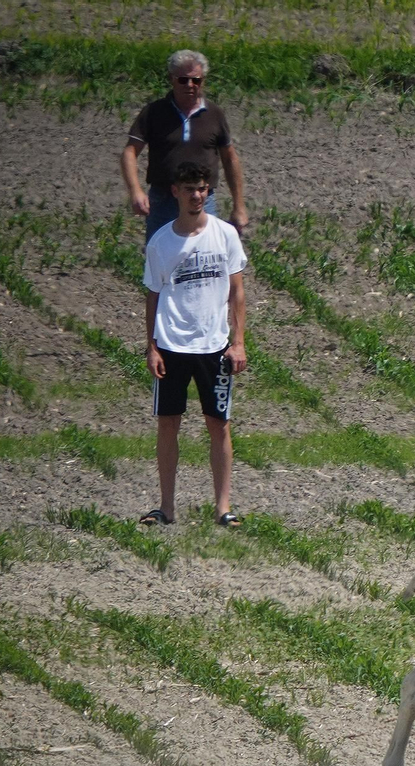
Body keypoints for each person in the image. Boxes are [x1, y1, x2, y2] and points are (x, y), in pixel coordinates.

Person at [138, 161, 248, 528]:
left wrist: (238, 342)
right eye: (189, 189)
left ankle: (223, 508)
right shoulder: (161, 242)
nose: (196, 195)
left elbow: (237, 292)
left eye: (202, 189)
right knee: (168, 424)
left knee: (219, 424)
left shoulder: (225, 235)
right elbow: (153, 295)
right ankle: (166, 507)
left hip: (214, 346)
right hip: (172, 344)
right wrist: (152, 347)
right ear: (176, 192)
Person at [121, 49, 248, 244]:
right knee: (161, 254)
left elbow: (230, 158)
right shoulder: (155, 112)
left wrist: (239, 206)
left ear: (203, 81)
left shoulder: (214, 114)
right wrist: (135, 191)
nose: (190, 85)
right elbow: (130, 152)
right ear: (171, 79)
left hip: (203, 200)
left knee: (205, 254)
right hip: (163, 201)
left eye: (196, 80)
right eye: (183, 80)